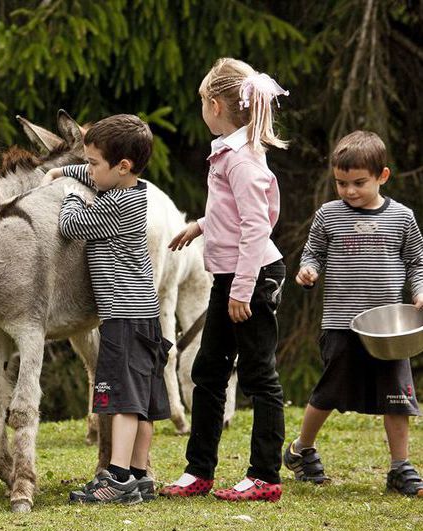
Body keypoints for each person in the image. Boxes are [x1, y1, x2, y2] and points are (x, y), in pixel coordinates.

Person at [160, 58, 289, 502]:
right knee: (209, 371)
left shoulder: (243, 160)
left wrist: (242, 290)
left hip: (249, 279)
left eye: (201, 103)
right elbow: (233, 214)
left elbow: (258, 227)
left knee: (259, 375)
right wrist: (200, 225)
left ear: (214, 105)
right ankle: (199, 471)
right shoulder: (229, 152)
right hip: (231, 276)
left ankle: (265, 477)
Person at [284, 130, 423, 496]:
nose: (348, 191)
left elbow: (417, 263)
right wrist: (308, 271)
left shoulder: (402, 217)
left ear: (383, 176)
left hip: (389, 327)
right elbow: (312, 253)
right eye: (341, 183)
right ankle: (301, 449)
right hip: (341, 323)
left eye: (359, 183)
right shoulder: (328, 216)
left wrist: (420, 291)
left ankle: (400, 467)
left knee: (398, 396)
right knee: (328, 392)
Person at [45, 114, 171, 504]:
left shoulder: (115, 205)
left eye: (95, 164)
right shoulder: (135, 190)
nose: (89, 170)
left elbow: (70, 225)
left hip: (123, 317)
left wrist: (66, 191)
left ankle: (116, 477)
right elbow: (95, 171)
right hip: (143, 315)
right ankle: (138, 474)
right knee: (145, 398)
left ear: (123, 167)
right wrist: (72, 170)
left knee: (122, 399)